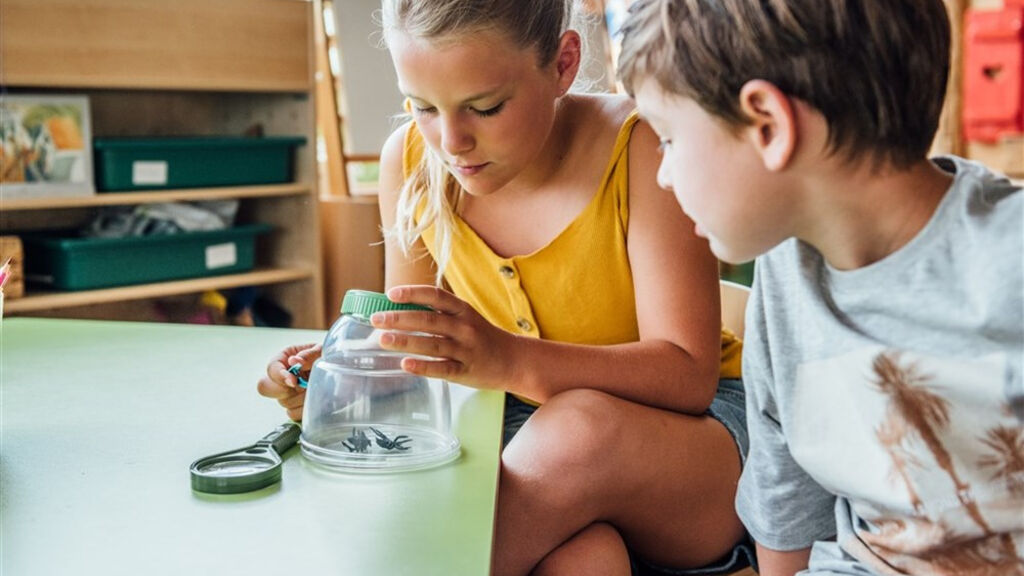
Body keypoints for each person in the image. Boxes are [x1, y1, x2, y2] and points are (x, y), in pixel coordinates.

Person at [258, 1, 755, 575]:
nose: (452, 141)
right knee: (587, 560)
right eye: (421, 106)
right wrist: (339, 376)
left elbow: (688, 376)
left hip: (694, 451)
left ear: (564, 64)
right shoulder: (412, 164)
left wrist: (510, 360)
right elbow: (419, 356)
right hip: (525, 448)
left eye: (486, 107)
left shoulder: (644, 148)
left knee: (578, 430)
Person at [617, 0, 1024, 574]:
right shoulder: (784, 281)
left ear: (769, 125)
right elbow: (787, 511)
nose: (662, 172)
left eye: (669, 140)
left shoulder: (1010, 261)